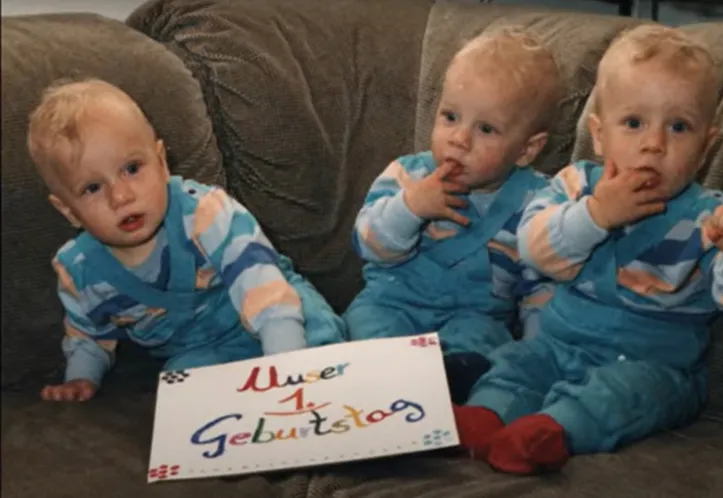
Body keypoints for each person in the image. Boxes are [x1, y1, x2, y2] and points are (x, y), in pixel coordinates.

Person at [452, 25, 723, 473]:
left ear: (705, 146)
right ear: (600, 133)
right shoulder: (574, 186)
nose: (654, 144)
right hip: (556, 342)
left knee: (623, 395)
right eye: (633, 123)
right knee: (515, 364)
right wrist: (596, 215)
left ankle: (552, 431)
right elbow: (534, 248)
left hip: (654, 365)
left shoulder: (711, 217)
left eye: (679, 127)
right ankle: (484, 416)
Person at [28, 78, 345, 402]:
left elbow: (259, 280)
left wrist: (286, 358)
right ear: (67, 209)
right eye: (92, 188)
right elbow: (88, 334)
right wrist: (81, 376)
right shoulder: (79, 272)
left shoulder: (206, 214)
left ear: (162, 163)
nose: (121, 196)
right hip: (203, 350)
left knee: (316, 330)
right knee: (182, 390)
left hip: (276, 311)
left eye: (132, 168)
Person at [343, 26, 562, 404]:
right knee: (368, 326)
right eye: (450, 117)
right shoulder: (407, 175)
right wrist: (410, 207)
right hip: (393, 303)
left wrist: (535, 352)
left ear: (526, 150)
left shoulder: (538, 203)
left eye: (486, 128)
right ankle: (380, 384)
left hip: (476, 315)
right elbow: (367, 243)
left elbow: (541, 286)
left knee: (484, 340)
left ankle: (451, 385)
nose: (459, 139)